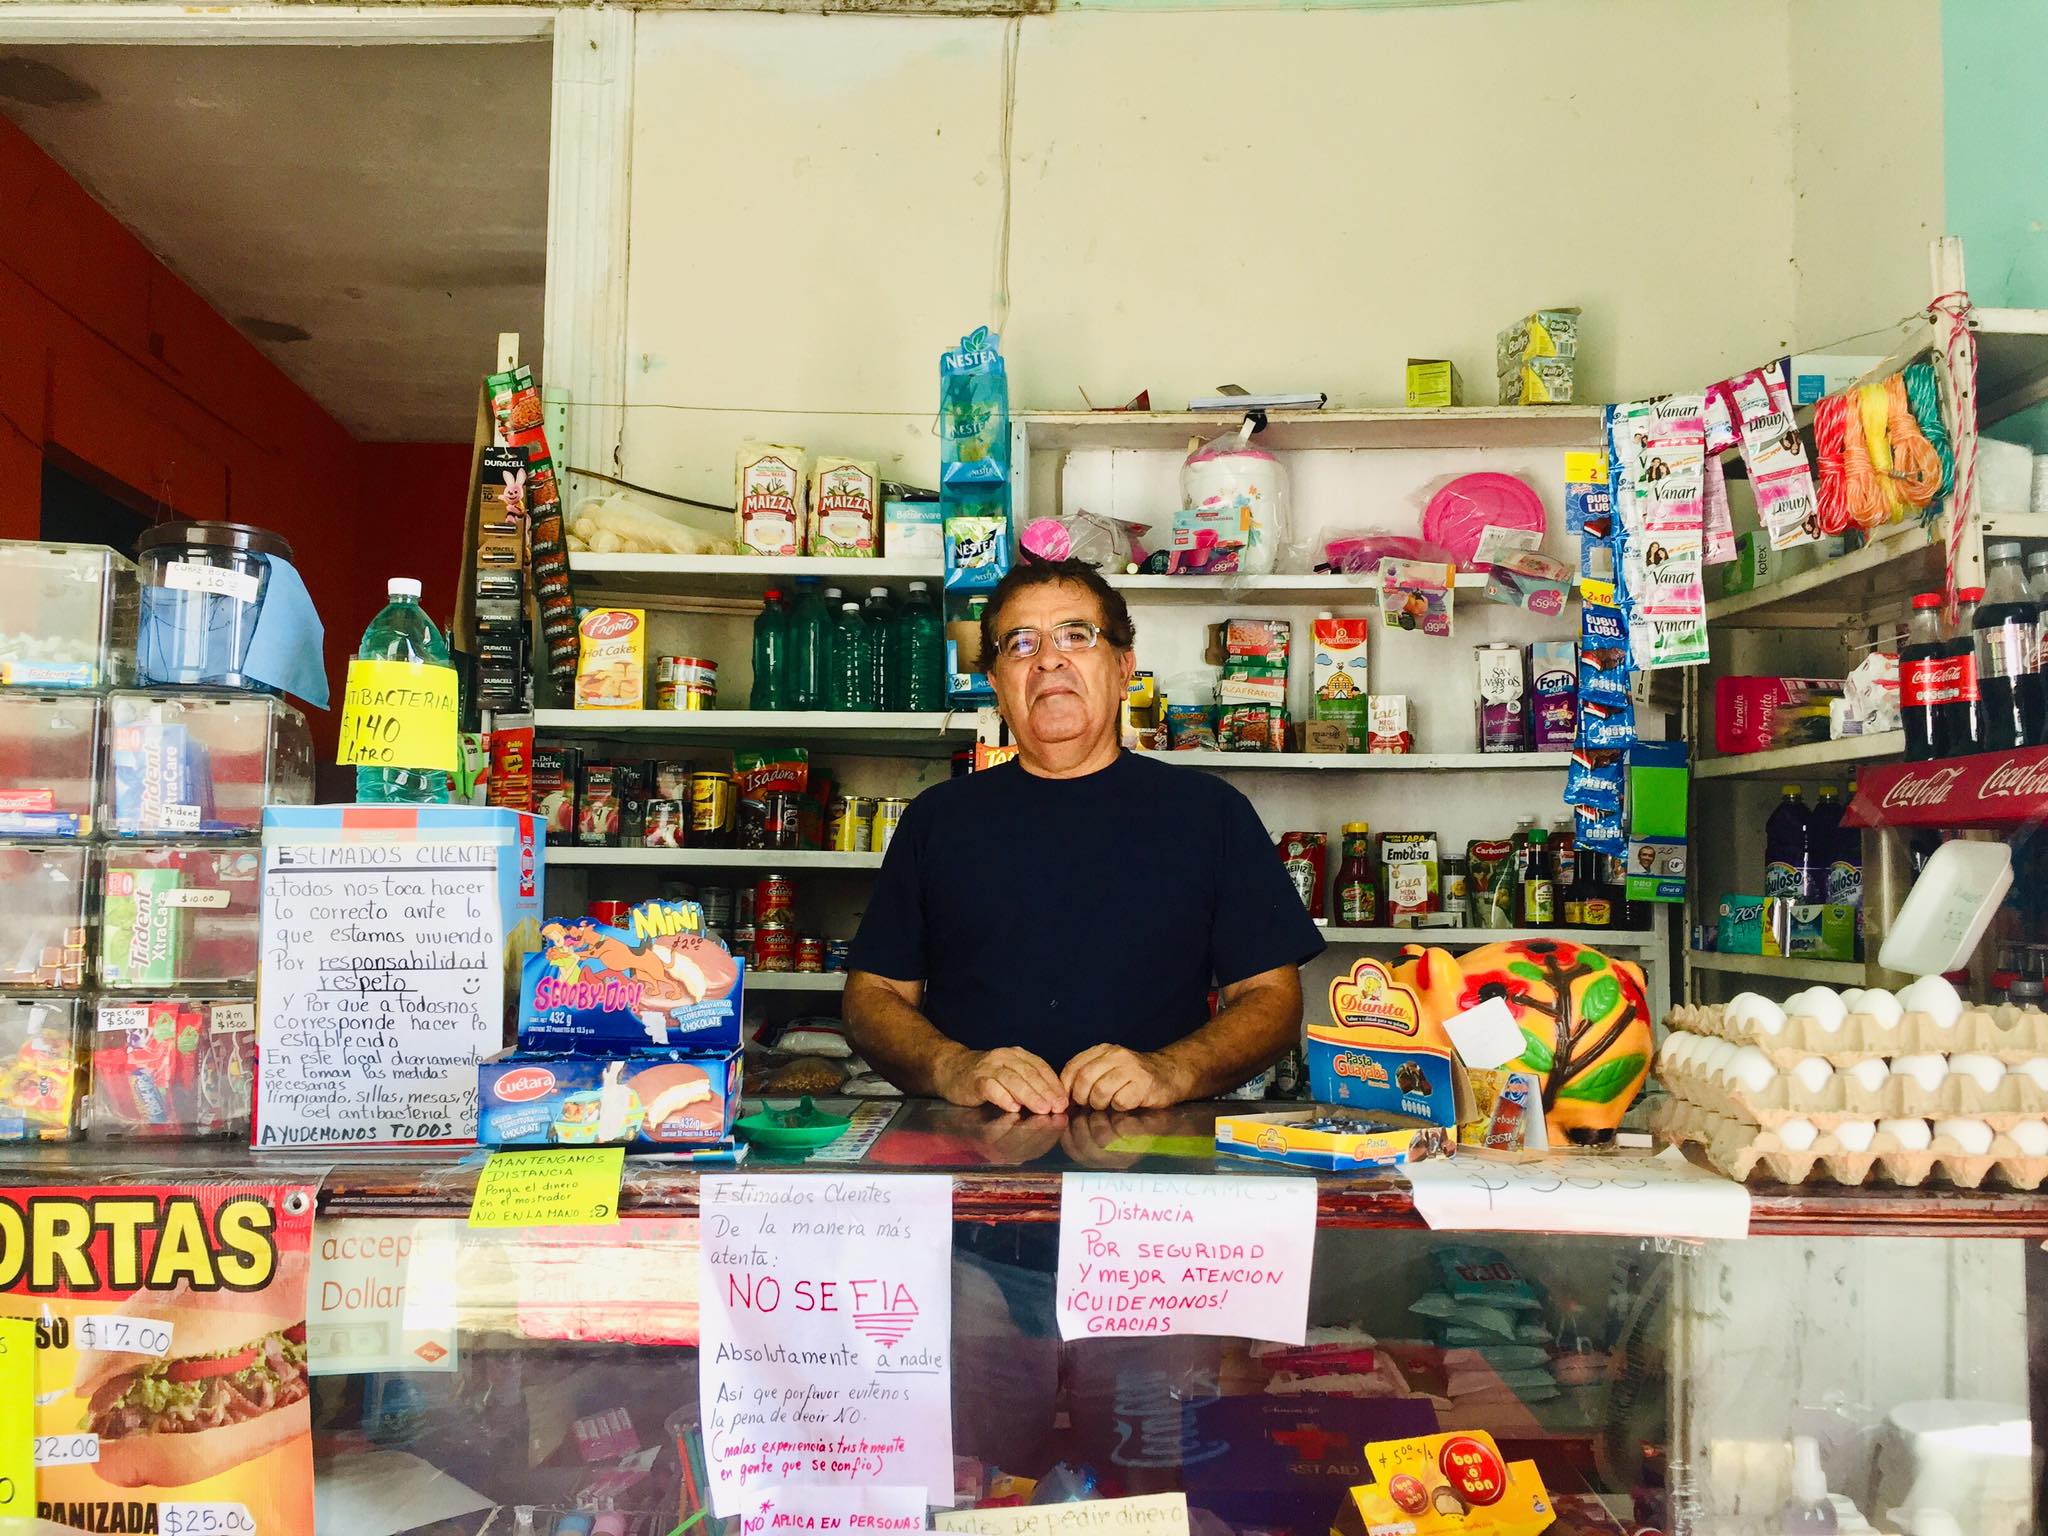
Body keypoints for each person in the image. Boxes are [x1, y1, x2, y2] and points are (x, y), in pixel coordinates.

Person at [844, 555, 1324, 1113]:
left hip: (1155, 1149)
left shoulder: (1211, 813)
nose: (1048, 659)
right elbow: (872, 996)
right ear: (996, 684)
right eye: (1020, 644)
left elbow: (1272, 1000)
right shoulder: (937, 818)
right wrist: (951, 1066)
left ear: (1123, 669)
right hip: (970, 1143)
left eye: (1076, 636)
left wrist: (1172, 1071)